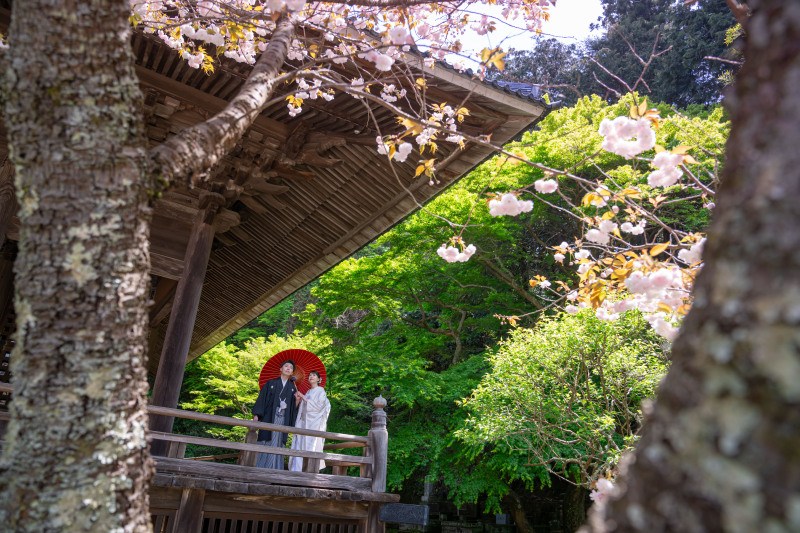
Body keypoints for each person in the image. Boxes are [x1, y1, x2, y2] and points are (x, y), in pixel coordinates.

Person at [252, 359, 301, 469]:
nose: (288, 368)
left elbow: (293, 410)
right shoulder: (271, 383)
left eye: (291, 368)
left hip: (283, 419)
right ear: (281, 369)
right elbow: (262, 399)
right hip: (269, 417)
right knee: (266, 440)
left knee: (278, 443)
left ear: (292, 373)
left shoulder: (293, 388)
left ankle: (275, 470)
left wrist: (297, 400)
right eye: (286, 366)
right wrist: (257, 415)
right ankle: (261, 469)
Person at [288, 371, 331, 472]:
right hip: (304, 424)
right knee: (300, 446)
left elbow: (319, 407)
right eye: (310, 375)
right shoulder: (308, 392)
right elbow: (302, 410)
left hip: (314, 424)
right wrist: (298, 399)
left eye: (314, 375)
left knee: (311, 446)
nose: (311, 377)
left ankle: (310, 471)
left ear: (318, 379)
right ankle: (297, 471)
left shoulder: (321, 391)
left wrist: (304, 398)